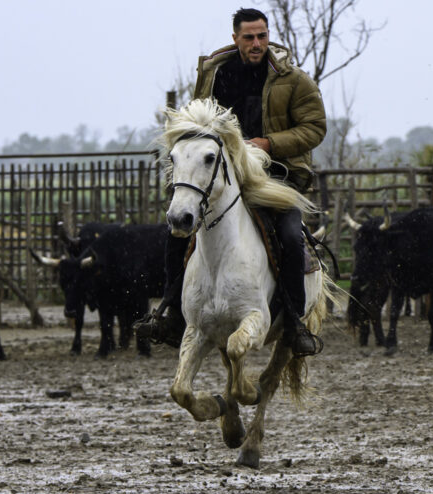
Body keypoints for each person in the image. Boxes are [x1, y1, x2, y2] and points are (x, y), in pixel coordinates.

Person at [138, 7, 327, 356]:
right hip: (222, 175)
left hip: (276, 174)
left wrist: (268, 144)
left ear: (268, 36)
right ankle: (172, 314)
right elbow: (198, 123)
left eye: (262, 36)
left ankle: (295, 324)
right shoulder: (213, 74)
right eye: (249, 37)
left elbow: (315, 128)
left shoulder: (294, 80)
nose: (257, 44)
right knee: (178, 231)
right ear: (235, 38)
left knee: (288, 234)